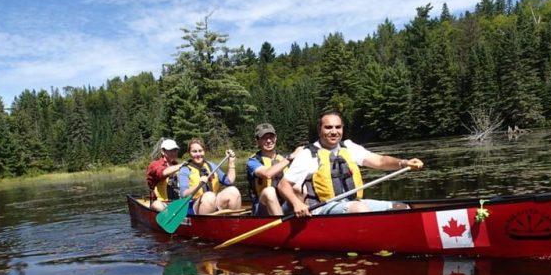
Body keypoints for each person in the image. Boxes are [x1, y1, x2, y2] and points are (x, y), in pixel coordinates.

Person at [277, 112, 424, 216]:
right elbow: (283, 185)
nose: (334, 131)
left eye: (338, 127)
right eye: (328, 127)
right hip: (321, 208)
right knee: (360, 209)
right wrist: (297, 204)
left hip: (353, 203)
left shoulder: (348, 147)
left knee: (401, 207)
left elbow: (379, 161)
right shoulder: (308, 154)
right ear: (319, 130)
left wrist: (403, 163)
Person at [246, 123, 304, 215]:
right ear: (257, 141)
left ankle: (303, 219)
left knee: (299, 187)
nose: (269, 141)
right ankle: (282, 228)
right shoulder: (252, 162)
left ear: (275, 138)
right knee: (269, 192)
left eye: (271, 137)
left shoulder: (282, 158)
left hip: (283, 204)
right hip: (262, 208)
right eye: (264, 138)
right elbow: (267, 173)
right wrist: (292, 156)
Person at [178, 138, 242, 215]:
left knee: (233, 191)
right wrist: (198, 185)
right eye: (194, 151)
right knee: (209, 196)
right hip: (193, 206)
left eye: (200, 151)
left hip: (213, 202)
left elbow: (229, 181)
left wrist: (231, 162)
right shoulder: (185, 169)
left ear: (204, 151)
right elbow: (184, 194)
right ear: (189, 153)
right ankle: (204, 226)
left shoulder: (211, 165)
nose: (198, 154)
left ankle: (234, 225)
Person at [146, 138, 186, 212]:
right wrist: (181, 166)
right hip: (161, 203)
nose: (173, 153)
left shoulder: (176, 164)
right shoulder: (154, 164)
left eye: (175, 150)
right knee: (157, 205)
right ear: (163, 151)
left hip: (177, 202)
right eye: (170, 150)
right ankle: (167, 217)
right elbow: (162, 173)